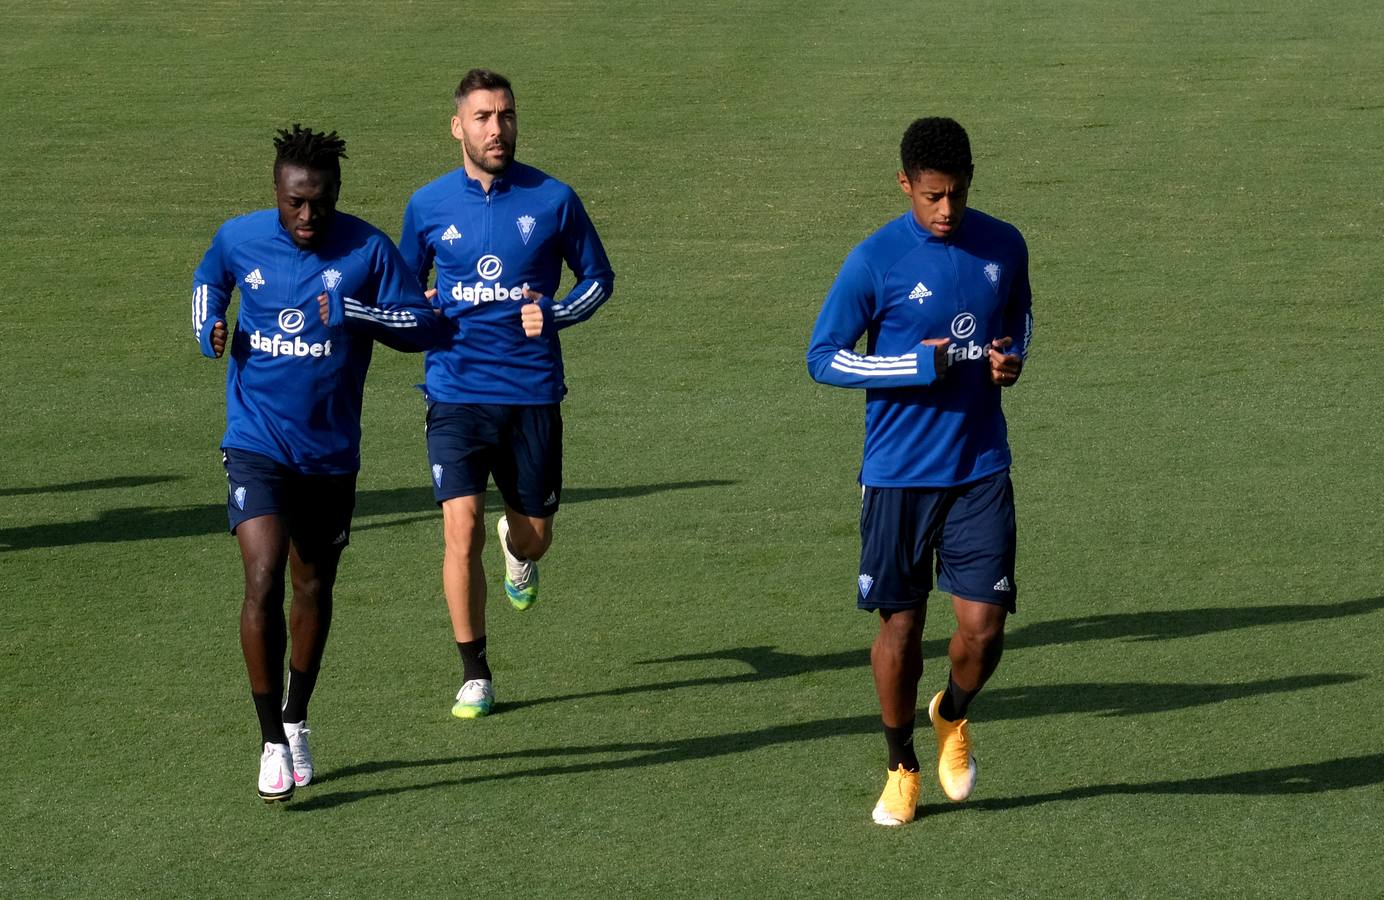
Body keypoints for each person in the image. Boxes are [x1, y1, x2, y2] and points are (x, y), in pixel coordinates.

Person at [192, 125, 450, 801]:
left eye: (320, 202)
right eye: (295, 202)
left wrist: (357, 311)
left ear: (337, 193)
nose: (307, 216)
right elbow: (207, 281)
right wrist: (208, 325)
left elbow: (427, 325)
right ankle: (271, 741)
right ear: (276, 193)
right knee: (262, 576)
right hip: (256, 443)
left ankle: (298, 715)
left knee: (312, 588)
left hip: (331, 455)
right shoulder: (239, 238)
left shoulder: (367, 249)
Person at [806, 117, 1032, 826]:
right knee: (901, 628)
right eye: (931, 196)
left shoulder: (1003, 244)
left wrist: (1009, 359)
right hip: (899, 472)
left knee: (985, 628)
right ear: (905, 184)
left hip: (978, 465)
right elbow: (824, 356)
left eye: (957, 196)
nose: (945, 211)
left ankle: (951, 714)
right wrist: (914, 364)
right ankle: (901, 762)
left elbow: (1017, 316)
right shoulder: (874, 261)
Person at [400, 69, 615, 719]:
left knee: (535, 537)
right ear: (458, 126)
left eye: (507, 115)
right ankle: (476, 674)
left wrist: (555, 313)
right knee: (457, 528)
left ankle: (517, 554)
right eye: (485, 117)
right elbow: (401, 294)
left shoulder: (553, 199)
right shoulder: (428, 205)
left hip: (531, 393)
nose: (498, 128)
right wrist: (421, 306)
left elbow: (599, 279)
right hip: (456, 392)